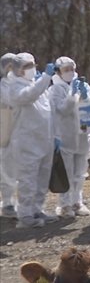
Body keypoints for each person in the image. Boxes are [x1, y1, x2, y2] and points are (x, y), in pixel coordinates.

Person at [6, 53, 58, 228]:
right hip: (27, 142)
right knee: (28, 180)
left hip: (44, 141)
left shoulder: (35, 84)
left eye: (33, 64)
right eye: (27, 66)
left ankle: (37, 209)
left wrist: (55, 137)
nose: (31, 68)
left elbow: (47, 113)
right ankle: (25, 215)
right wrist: (45, 78)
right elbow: (29, 96)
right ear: (18, 70)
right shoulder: (14, 87)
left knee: (42, 179)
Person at [48, 56, 90, 218]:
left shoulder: (83, 85)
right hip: (65, 136)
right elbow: (62, 110)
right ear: (58, 72)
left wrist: (85, 95)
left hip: (82, 135)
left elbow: (89, 108)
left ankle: (77, 202)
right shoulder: (55, 90)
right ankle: (64, 205)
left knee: (80, 173)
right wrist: (73, 95)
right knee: (66, 172)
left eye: (71, 69)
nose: (70, 72)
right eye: (65, 70)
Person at [0, 52, 17, 218]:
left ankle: (12, 201)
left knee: (15, 168)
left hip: (17, 131)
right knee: (6, 168)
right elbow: (11, 101)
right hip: (5, 131)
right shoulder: (3, 84)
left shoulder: (16, 83)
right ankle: (7, 202)